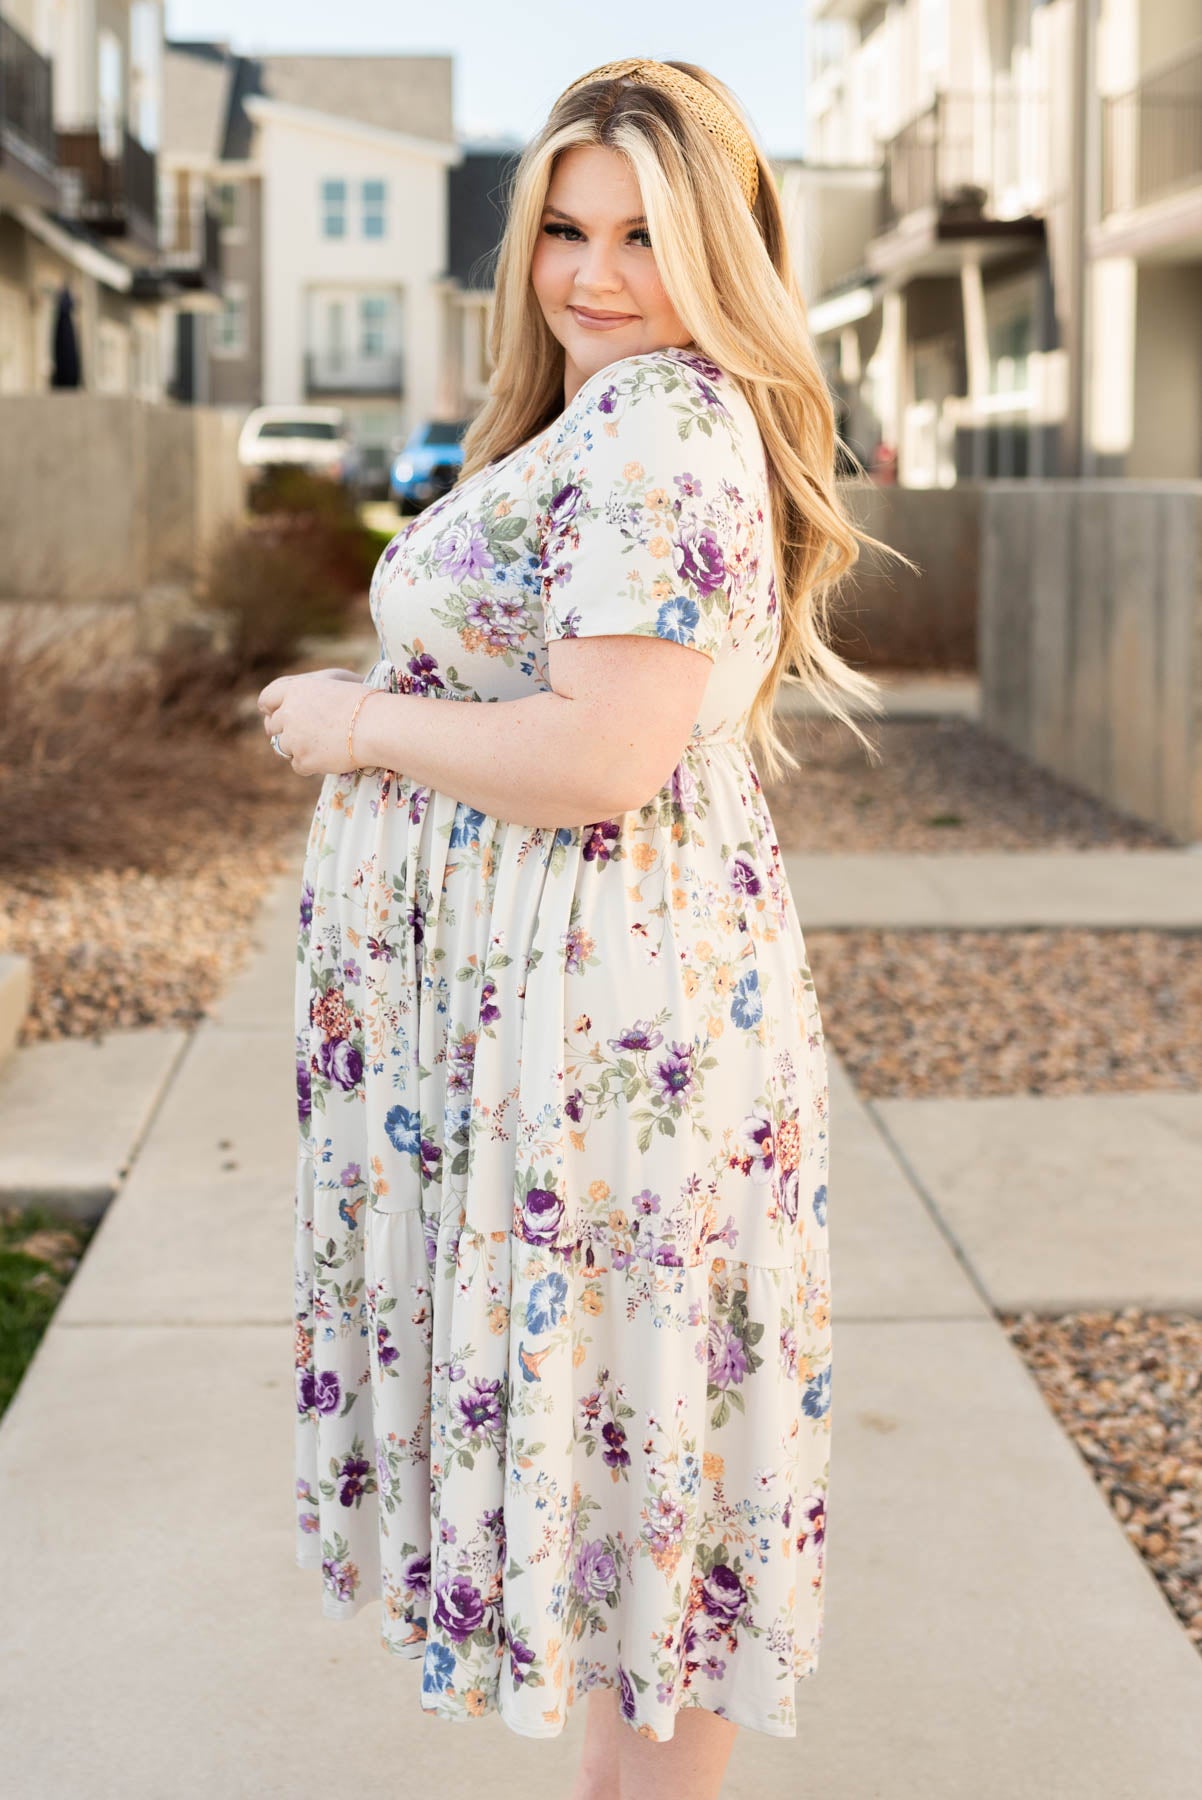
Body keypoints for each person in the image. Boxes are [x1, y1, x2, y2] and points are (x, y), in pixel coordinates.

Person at [258, 55, 899, 1800]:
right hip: (601, 1012)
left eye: (642, 234)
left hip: (599, 1032)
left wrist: (357, 721)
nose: (593, 274)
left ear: (727, 250)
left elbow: (603, 753)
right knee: (648, 1473)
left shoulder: (659, 425)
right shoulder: (620, 420)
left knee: (645, 1467)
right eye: (562, 228)